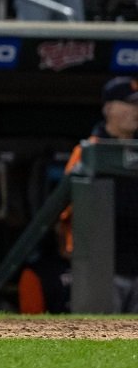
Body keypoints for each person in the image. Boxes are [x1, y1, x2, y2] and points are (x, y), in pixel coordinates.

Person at [59, 77, 138, 313]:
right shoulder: (88, 150)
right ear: (109, 108)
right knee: (100, 337)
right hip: (101, 266)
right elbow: (63, 207)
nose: (135, 111)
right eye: (130, 104)